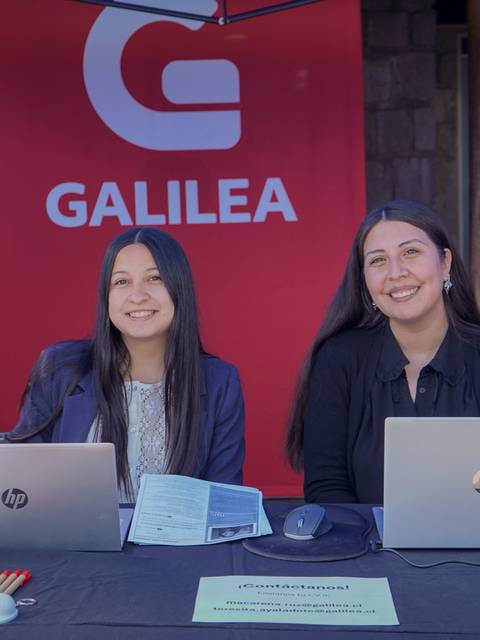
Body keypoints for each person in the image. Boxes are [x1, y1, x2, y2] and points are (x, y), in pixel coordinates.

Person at [10, 227, 245, 500]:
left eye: (155, 278)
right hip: (74, 543)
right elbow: (20, 485)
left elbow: (225, 502)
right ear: (106, 297)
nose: (138, 295)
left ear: (179, 288)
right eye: (121, 282)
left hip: (177, 544)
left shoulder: (220, 381)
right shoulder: (59, 367)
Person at [286, 200, 480, 504]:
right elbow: (327, 486)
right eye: (378, 260)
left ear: (445, 263)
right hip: (367, 549)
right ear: (364, 280)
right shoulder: (339, 359)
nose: (395, 272)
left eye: (410, 252)